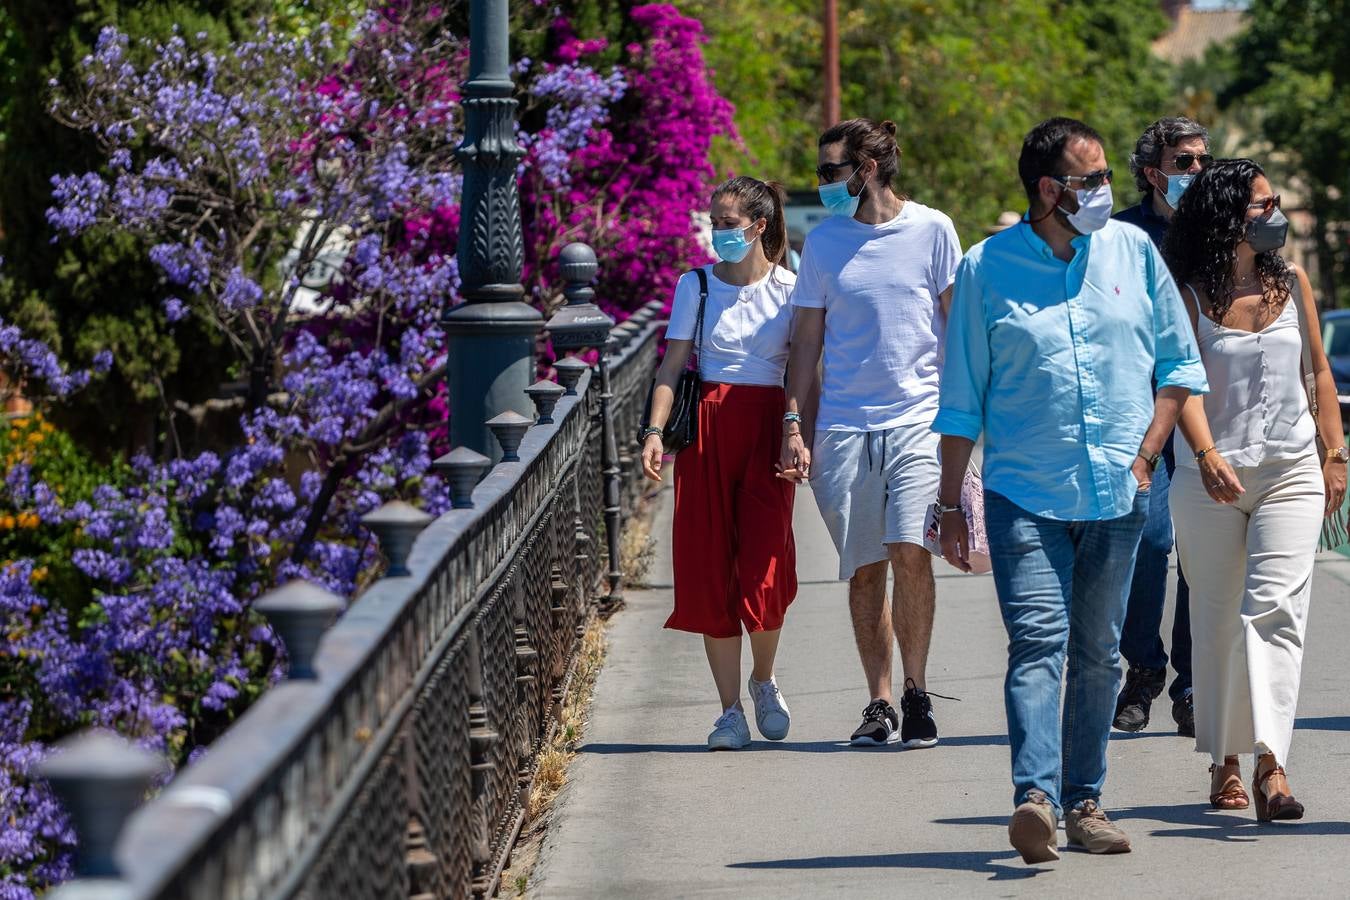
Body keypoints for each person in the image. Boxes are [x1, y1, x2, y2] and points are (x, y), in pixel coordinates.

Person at [934, 118, 1207, 862]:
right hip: (1025, 492)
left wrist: (1150, 454)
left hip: (1122, 493)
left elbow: (1180, 367)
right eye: (1092, 179)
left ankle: (1085, 800)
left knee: (1097, 656)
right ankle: (1035, 796)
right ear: (1050, 190)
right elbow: (962, 397)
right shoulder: (986, 267)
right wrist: (949, 502)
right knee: (1038, 644)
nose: (1106, 191)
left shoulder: (1134, 251)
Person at [1163, 158, 1346, 819]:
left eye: (1275, 205)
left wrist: (1335, 456)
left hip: (1290, 471)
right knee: (1216, 623)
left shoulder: (1292, 282)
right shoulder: (1186, 295)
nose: (1276, 218)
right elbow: (1176, 384)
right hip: (1208, 476)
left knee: (1274, 612)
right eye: (1261, 207)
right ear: (1225, 218)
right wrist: (1206, 454)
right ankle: (1225, 761)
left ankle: (1272, 765)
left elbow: (1319, 373)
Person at [778, 118, 961, 749]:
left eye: (831, 172)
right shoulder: (822, 245)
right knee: (864, 569)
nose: (822, 185)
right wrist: (794, 424)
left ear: (868, 169)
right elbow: (805, 341)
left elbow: (955, 326)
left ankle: (916, 693)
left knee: (911, 550)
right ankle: (878, 702)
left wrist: (967, 416)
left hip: (919, 420)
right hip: (844, 429)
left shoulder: (933, 229)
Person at [641, 176, 800, 751]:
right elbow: (672, 365)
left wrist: (799, 434)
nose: (718, 232)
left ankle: (764, 679)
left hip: (767, 430)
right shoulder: (696, 286)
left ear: (758, 226)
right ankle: (729, 711)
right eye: (715, 221)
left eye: (729, 223)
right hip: (708, 428)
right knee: (708, 564)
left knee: (764, 562)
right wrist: (655, 431)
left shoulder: (790, 287)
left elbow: (804, 372)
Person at [1111, 117, 1212, 736]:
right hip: (1140, 411)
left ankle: (1192, 681)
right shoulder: (1120, 233)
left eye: (1203, 160)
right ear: (1154, 172)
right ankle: (1143, 669)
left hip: (1208, 409)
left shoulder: (1221, 230)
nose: (1196, 172)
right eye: (1184, 162)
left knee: (1202, 548)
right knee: (1148, 545)